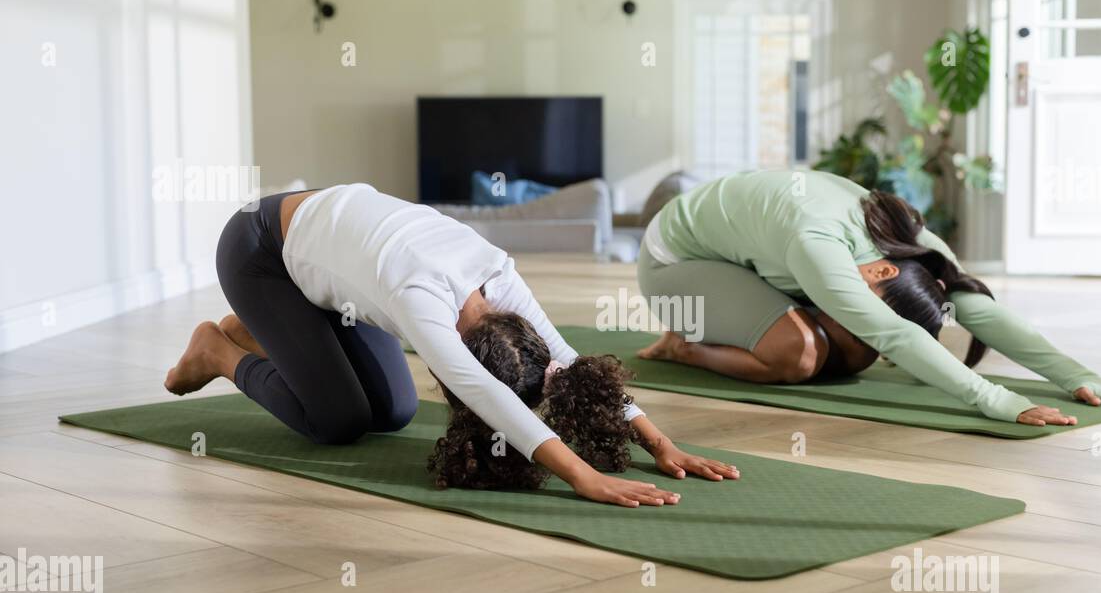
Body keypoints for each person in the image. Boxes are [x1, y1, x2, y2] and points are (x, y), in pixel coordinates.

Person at [164, 184, 739, 507]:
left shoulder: (498, 279)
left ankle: (271, 333)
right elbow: (482, 392)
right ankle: (219, 350)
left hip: (332, 264)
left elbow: (566, 357)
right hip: (260, 249)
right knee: (337, 421)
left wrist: (659, 441)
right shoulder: (422, 304)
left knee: (393, 411)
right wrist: (580, 476)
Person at [636, 169, 1101, 426]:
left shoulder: (903, 237)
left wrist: (1081, 378)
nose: (867, 327)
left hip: (741, 256)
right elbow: (893, 331)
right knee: (801, 354)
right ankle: (683, 347)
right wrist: (1001, 402)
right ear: (885, 270)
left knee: (852, 352)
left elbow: (973, 305)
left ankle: (728, 327)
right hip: (673, 264)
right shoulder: (818, 243)